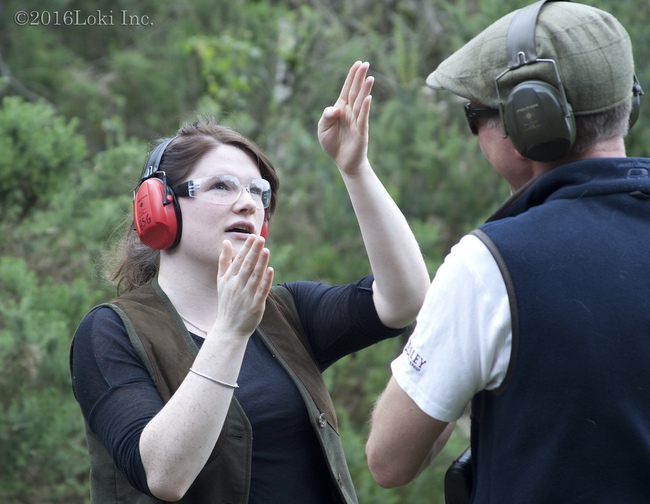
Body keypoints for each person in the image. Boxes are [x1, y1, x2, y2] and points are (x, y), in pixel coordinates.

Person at [70, 60, 430, 503]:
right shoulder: (109, 333)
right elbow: (163, 473)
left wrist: (355, 169)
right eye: (221, 186)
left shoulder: (286, 312)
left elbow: (405, 298)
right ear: (159, 207)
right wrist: (232, 330)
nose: (247, 204)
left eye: (258, 192)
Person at [365, 1, 650, 502]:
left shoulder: (492, 266)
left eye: (474, 114)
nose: (474, 132)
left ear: (528, 120)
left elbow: (388, 459)